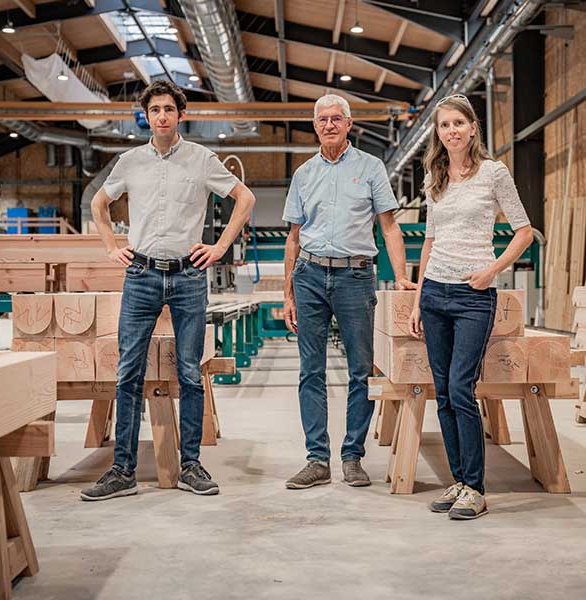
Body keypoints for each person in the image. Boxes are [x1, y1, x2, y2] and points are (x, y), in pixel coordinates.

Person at [81, 80, 255, 501]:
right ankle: (121, 470)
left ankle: (190, 465)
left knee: (191, 373)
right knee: (128, 373)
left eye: (168, 110)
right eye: (154, 110)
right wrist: (110, 246)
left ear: (181, 115)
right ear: (146, 116)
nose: (161, 117)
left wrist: (220, 247)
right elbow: (98, 204)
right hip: (140, 274)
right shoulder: (129, 162)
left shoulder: (201, 159)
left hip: (188, 276)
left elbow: (244, 198)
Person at [409, 94, 533, 519]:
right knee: (442, 392)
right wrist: (417, 300)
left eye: (458, 123)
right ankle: (458, 480)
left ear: (473, 127)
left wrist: (491, 271)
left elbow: (524, 231)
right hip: (434, 294)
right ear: (438, 133)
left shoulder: (494, 174)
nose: (451, 131)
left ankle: (476, 488)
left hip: (472, 296)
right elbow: (428, 241)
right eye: (444, 125)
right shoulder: (434, 177)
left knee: (462, 387)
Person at [282, 94, 415, 490]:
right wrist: (288, 293)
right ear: (315, 125)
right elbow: (293, 237)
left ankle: (352, 456)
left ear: (349, 123)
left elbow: (389, 227)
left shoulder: (371, 168)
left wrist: (403, 276)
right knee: (311, 370)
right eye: (322, 119)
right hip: (309, 274)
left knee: (361, 369)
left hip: (355, 277)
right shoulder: (304, 174)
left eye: (336, 118)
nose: (329, 125)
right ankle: (316, 459)